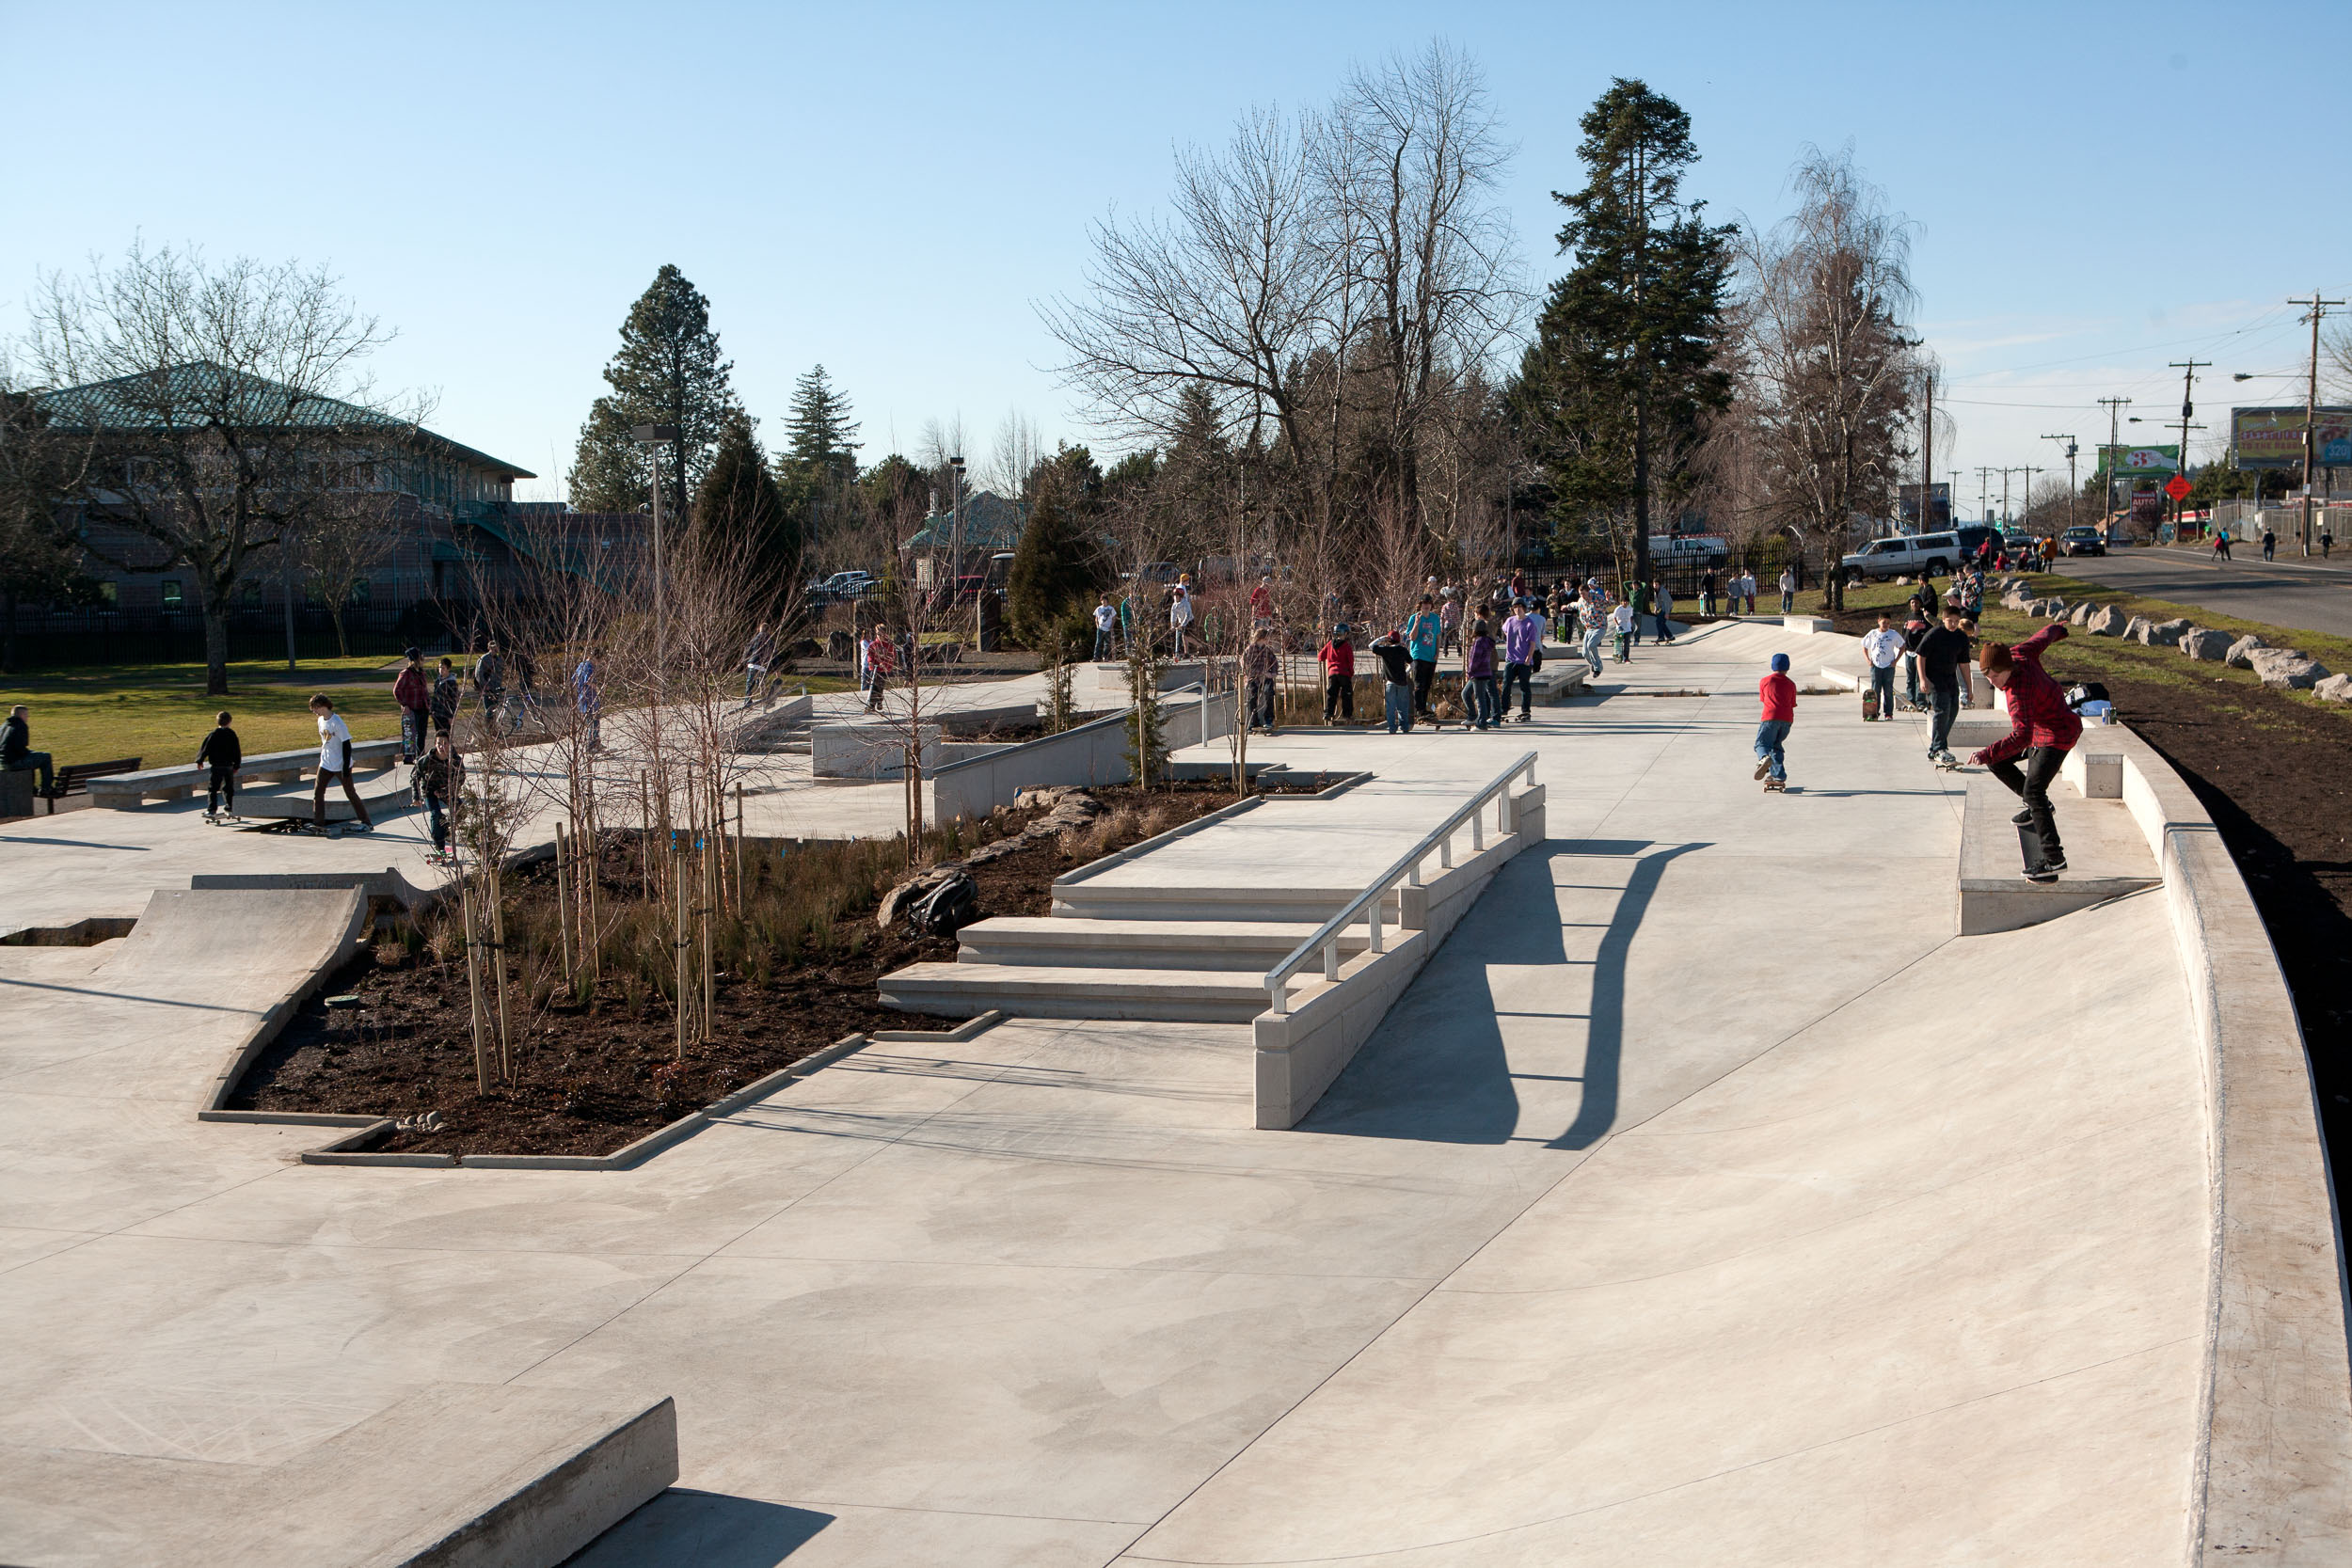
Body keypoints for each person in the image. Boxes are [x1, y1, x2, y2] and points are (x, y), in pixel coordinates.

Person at [1970, 623, 2082, 883]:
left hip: (2058, 735)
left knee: (2034, 790)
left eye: (1995, 677)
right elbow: (2042, 638)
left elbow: (2021, 737)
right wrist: (2058, 629)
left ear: (2007, 669)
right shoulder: (2020, 653)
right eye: (1987, 678)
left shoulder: (2017, 695)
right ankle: (2038, 808)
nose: (1992, 683)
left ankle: (2054, 859)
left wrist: (1986, 752)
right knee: (2000, 763)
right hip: (2041, 730)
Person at [308, 694, 373, 832]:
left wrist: (345, 767)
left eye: (315, 709)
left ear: (323, 706)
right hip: (325, 763)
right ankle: (318, 823)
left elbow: (346, 744)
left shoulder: (337, 722)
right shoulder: (320, 720)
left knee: (350, 793)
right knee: (318, 793)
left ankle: (366, 822)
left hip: (341, 764)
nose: (314, 712)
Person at [1916, 606, 1971, 765]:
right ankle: (1940, 748)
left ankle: (1934, 748)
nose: (1953, 625)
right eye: (1950, 621)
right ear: (1943, 619)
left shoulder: (1961, 637)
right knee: (1942, 709)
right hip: (1933, 678)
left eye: (1956, 621)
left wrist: (1969, 688)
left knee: (1953, 710)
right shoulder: (1935, 634)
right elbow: (1920, 656)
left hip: (1950, 678)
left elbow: (1964, 664)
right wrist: (1922, 679)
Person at [416, 730, 465, 863]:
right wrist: (416, 796)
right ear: (435, 744)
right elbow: (415, 775)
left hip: (447, 790)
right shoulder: (427, 759)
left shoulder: (455, 761)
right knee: (435, 815)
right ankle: (439, 846)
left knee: (461, 810)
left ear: (450, 744)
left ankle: (447, 830)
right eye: (439, 744)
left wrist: (445, 792)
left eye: (445, 744)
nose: (442, 747)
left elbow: (460, 779)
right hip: (429, 790)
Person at [1755, 652, 1796, 792]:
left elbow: (1763, 699)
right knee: (1776, 746)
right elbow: (1792, 703)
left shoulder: (1765, 681)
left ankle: (1763, 759)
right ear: (1788, 667)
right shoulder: (1791, 684)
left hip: (1770, 717)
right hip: (1787, 720)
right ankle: (1778, 775)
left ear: (1773, 666)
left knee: (1762, 744)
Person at [1404, 594, 1443, 720]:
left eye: (1428, 603)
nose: (1426, 606)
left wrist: (1437, 652)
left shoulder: (1435, 619)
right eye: (1424, 604)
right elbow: (1412, 637)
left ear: (1431, 605)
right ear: (1420, 605)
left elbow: (1437, 636)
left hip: (1431, 656)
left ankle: (1423, 710)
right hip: (1418, 655)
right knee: (1419, 684)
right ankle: (1418, 709)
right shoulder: (1414, 618)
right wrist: (1416, 623)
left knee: (1427, 684)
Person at [198, 710, 241, 821]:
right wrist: (237, 765)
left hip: (216, 766)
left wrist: (200, 760)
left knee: (213, 788)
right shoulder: (231, 734)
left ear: (217, 721)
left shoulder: (213, 734)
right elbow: (236, 750)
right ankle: (230, 807)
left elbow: (205, 748)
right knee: (228, 788)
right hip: (228, 766)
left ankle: (211, 810)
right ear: (230, 721)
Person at [2, 704, 53, 799]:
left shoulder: (4, 726)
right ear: (22, 715)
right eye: (26, 715)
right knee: (46, 757)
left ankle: (32, 788)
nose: (27, 717)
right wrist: (29, 754)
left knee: (33, 757)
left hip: (4, 762)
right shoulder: (21, 725)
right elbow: (20, 748)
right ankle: (46, 788)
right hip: (14, 762)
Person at [1502, 598, 1540, 723]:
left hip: (1524, 661)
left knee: (1524, 686)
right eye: (1515, 607)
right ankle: (1504, 709)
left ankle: (1526, 710)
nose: (1517, 609)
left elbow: (1533, 643)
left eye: (1519, 607)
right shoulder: (1509, 621)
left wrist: (1528, 659)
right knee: (1506, 685)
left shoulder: (1530, 624)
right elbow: (1505, 631)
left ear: (1524, 608)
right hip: (1511, 659)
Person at [1860, 610, 1903, 721]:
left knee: (1888, 691)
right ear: (1878, 621)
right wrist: (1868, 660)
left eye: (1888, 623)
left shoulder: (1893, 634)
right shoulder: (1872, 633)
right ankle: (1874, 712)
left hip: (1889, 667)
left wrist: (1896, 661)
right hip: (1876, 666)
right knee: (1875, 691)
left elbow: (1902, 646)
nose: (1886, 625)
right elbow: (1864, 646)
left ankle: (1888, 713)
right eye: (1884, 622)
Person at [1370, 629, 1415, 734]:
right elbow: (1412, 665)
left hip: (1390, 682)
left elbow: (1371, 646)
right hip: (1402, 682)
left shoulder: (1385, 650)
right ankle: (1404, 726)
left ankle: (1392, 728)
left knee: (1390, 707)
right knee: (1403, 706)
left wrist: (1381, 638)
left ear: (1389, 640)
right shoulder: (1403, 650)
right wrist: (1406, 672)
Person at [393, 647, 431, 764]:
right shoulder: (406, 673)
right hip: (412, 708)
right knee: (410, 733)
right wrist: (404, 704)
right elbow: (397, 690)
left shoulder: (421, 673)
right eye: (421, 657)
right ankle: (409, 757)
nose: (423, 659)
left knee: (422, 734)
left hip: (423, 707)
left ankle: (420, 756)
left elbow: (424, 690)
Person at [1244, 625, 1280, 735]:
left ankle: (1268, 719)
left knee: (1269, 692)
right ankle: (1253, 722)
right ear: (1262, 638)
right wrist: (1263, 673)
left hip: (1265, 677)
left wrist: (1273, 673)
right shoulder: (1250, 650)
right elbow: (1246, 666)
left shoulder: (1267, 650)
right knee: (1252, 696)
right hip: (1253, 677)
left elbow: (1274, 662)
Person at [1463, 617, 1499, 729]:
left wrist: (1469, 672)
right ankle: (1472, 716)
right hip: (1485, 673)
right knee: (1466, 693)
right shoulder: (1488, 641)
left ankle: (1481, 723)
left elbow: (1475, 660)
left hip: (1477, 674)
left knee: (1480, 698)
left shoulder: (1479, 642)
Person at [1319, 623, 1356, 724]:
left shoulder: (1330, 644)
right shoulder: (1346, 646)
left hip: (1332, 673)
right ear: (1345, 633)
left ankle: (1328, 713)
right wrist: (1351, 672)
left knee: (1331, 694)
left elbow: (1320, 656)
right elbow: (1350, 661)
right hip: (1344, 672)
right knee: (1347, 694)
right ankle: (1347, 714)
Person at [1899, 603, 1931, 710]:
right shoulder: (1908, 617)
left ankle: (1921, 701)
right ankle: (1910, 700)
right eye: (1912, 602)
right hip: (1909, 652)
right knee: (1910, 678)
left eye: (1917, 602)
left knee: (1919, 678)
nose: (1914, 604)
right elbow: (1904, 633)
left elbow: (1929, 633)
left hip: (1920, 653)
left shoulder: (1924, 616)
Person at [472, 641, 505, 735]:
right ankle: (488, 730)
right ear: (489, 648)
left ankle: (493, 729)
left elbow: (501, 672)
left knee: (494, 709)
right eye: (493, 647)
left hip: (496, 687)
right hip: (487, 689)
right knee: (488, 709)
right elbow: (478, 674)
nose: (495, 650)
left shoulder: (499, 659)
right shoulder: (484, 659)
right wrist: (485, 686)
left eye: (496, 647)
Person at [573, 654, 601, 752]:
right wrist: (596, 688)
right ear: (594, 658)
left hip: (582, 697)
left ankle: (596, 742)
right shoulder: (589, 666)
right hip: (590, 697)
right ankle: (591, 745)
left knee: (590, 720)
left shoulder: (581, 665)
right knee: (594, 721)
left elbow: (574, 679)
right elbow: (588, 680)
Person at [863, 626, 895, 712]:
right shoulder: (873, 645)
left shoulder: (888, 646)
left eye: (881, 634)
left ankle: (879, 701)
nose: (879, 636)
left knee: (880, 687)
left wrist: (884, 664)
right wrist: (870, 662)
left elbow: (891, 657)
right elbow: (870, 655)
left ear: (884, 634)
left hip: (883, 669)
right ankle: (871, 705)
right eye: (877, 634)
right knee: (873, 686)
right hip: (875, 669)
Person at [741, 623, 774, 707]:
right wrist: (776, 668)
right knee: (762, 682)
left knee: (749, 683)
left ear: (760, 629)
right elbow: (773, 654)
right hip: (763, 664)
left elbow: (747, 649)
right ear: (769, 630)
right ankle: (765, 700)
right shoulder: (770, 641)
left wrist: (745, 661)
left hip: (752, 663)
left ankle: (747, 701)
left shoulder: (755, 639)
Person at [429, 657, 461, 738]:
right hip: (436, 712)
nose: (441, 670)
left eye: (443, 668)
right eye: (440, 667)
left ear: (448, 669)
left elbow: (453, 700)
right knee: (438, 735)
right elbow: (435, 697)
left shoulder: (451, 682)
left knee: (446, 736)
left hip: (445, 714)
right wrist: (431, 710)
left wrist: (451, 716)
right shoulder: (438, 680)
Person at [1580, 592, 1608, 675]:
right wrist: (1567, 606)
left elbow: (1609, 603)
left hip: (1600, 627)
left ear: (1587, 593)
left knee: (1591, 645)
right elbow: (1574, 604)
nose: (1582, 596)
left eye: (1584, 594)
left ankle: (1598, 668)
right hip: (1589, 629)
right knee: (1585, 653)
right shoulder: (1581, 601)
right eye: (1580, 594)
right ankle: (1593, 664)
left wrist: (1608, 598)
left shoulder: (1597, 598)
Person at [1168, 575, 1195, 657]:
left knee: (1185, 636)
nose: (1175, 598)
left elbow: (1188, 614)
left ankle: (1200, 646)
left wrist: (1183, 624)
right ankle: (1181, 652)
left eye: (1177, 596)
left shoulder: (1184, 602)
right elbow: (1173, 614)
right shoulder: (1181, 589)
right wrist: (1173, 624)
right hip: (1181, 620)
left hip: (1187, 620)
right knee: (1182, 636)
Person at [1610, 596, 1636, 663]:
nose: (1625, 603)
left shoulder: (1630, 608)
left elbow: (1630, 617)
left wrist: (1631, 626)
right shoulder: (1618, 608)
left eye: (1626, 601)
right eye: (1624, 601)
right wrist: (1618, 625)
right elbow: (1614, 617)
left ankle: (1626, 658)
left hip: (1628, 629)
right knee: (1619, 644)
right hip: (1620, 629)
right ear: (1621, 602)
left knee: (1627, 645)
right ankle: (1619, 658)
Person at [1438, 588, 1462, 657]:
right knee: (1456, 638)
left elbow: (1442, 617)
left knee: (1446, 638)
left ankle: (1445, 652)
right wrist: (1459, 624)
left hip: (1447, 624)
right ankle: (1459, 651)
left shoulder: (1445, 606)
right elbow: (1458, 615)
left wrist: (1441, 625)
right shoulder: (1456, 606)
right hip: (1454, 624)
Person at [1092, 594, 1118, 661]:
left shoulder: (1111, 608)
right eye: (1102, 600)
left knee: (1107, 643)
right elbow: (1096, 618)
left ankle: (1105, 656)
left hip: (1108, 628)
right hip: (1100, 628)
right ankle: (1096, 657)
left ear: (1107, 601)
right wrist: (1097, 626)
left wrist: (1111, 627)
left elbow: (1114, 618)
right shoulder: (1099, 609)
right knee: (1098, 642)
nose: (1103, 602)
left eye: (1105, 600)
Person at [1628, 578, 1650, 646]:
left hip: (1638, 611)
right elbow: (1625, 584)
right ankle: (1627, 638)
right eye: (1633, 585)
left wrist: (1640, 583)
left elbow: (1645, 585)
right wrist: (1631, 581)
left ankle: (1637, 639)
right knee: (1628, 625)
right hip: (1631, 611)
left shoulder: (1640, 592)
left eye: (1635, 585)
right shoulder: (1631, 591)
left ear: (1638, 586)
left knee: (1638, 626)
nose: (1634, 586)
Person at [1653, 579, 1676, 644]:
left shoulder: (1663, 591)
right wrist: (1656, 608)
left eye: (1656, 584)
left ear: (1659, 585)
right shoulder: (1656, 591)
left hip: (1667, 608)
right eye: (1654, 584)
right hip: (1663, 608)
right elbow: (1656, 601)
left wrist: (1667, 613)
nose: (1655, 586)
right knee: (1662, 623)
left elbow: (1667, 602)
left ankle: (1661, 637)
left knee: (1658, 621)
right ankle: (1670, 636)